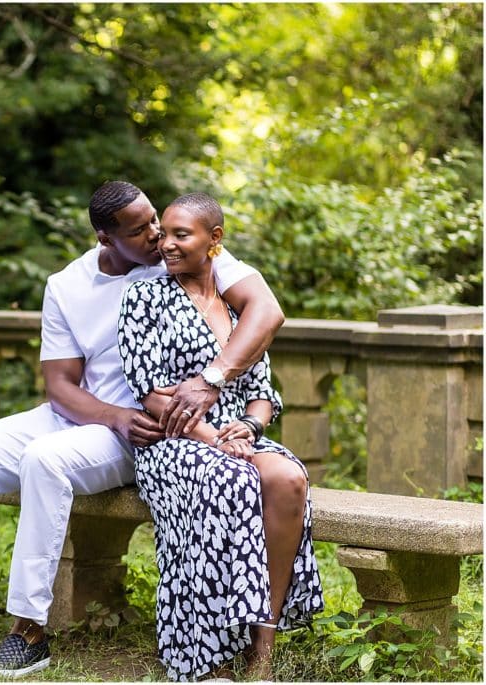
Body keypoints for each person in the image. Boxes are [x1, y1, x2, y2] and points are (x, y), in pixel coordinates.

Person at [0, 181, 285, 678]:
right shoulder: (68, 285)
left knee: (45, 461)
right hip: (101, 418)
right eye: (140, 230)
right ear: (104, 239)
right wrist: (114, 415)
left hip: (154, 429)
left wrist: (209, 383)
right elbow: (60, 386)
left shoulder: (186, 255)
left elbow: (265, 309)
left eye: (155, 220)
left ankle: (28, 629)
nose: (157, 236)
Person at [117, 192, 324, 682]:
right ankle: (203, 651)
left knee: (288, 478)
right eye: (163, 234)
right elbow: (151, 393)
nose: (165, 244)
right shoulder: (144, 298)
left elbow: (263, 393)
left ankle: (262, 645)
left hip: (236, 436)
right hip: (174, 443)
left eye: (180, 235)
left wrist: (249, 426)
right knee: (230, 481)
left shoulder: (235, 311)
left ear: (215, 241)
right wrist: (213, 438)